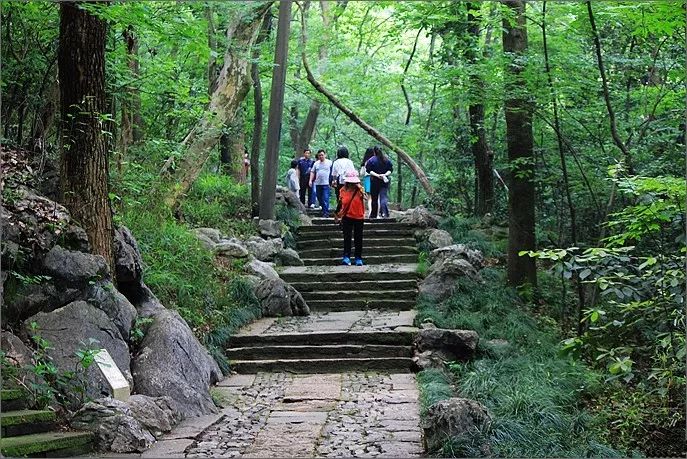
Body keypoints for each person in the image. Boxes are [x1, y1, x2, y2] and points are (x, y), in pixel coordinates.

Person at [335, 171, 365, 266]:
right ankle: (346, 257)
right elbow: (340, 203)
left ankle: (358, 258)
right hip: (347, 217)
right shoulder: (342, 190)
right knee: (347, 238)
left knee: (358, 238)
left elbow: (366, 197)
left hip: (359, 217)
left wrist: (361, 189)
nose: (352, 184)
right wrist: (337, 214)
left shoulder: (360, 189)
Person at [365, 145, 393, 218]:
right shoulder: (386, 160)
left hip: (375, 181)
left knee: (374, 198)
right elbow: (390, 170)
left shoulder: (371, 160)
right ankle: (385, 213)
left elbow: (369, 171)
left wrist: (377, 175)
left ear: (374, 151)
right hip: (384, 181)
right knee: (383, 197)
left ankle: (374, 215)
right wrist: (384, 175)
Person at [330, 146, 356, 214]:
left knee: (339, 196)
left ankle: (340, 210)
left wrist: (334, 181)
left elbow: (334, 174)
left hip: (339, 180)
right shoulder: (349, 162)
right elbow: (353, 172)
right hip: (349, 180)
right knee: (348, 195)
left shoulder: (336, 162)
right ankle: (348, 210)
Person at [309, 149, 332, 217]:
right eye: (319, 155)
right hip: (318, 183)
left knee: (325, 197)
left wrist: (333, 180)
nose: (321, 156)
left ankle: (326, 213)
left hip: (326, 183)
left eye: (322, 155)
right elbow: (312, 172)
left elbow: (333, 171)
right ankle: (323, 209)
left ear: (325, 155)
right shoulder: (316, 163)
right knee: (319, 197)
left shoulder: (329, 162)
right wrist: (310, 180)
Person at [360, 147, 374, 216]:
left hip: (367, 179)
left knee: (369, 198)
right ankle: (374, 212)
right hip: (374, 179)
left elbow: (361, 173)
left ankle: (370, 212)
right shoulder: (375, 160)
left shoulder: (365, 162)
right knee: (375, 197)